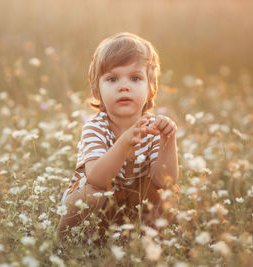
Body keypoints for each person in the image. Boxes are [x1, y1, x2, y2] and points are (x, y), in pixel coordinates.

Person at [57, 32, 180, 242]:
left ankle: (150, 242)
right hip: (97, 207)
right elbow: (96, 178)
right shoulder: (96, 127)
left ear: (151, 89)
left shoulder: (152, 128)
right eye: (112, 79)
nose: (124, 86)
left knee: (168, 194)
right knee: (90, 196)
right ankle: (66, 242)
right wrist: (124, 142)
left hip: (131, 210)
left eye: (135, 78)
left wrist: (168, 140)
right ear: (97, 90)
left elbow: (164, 180)